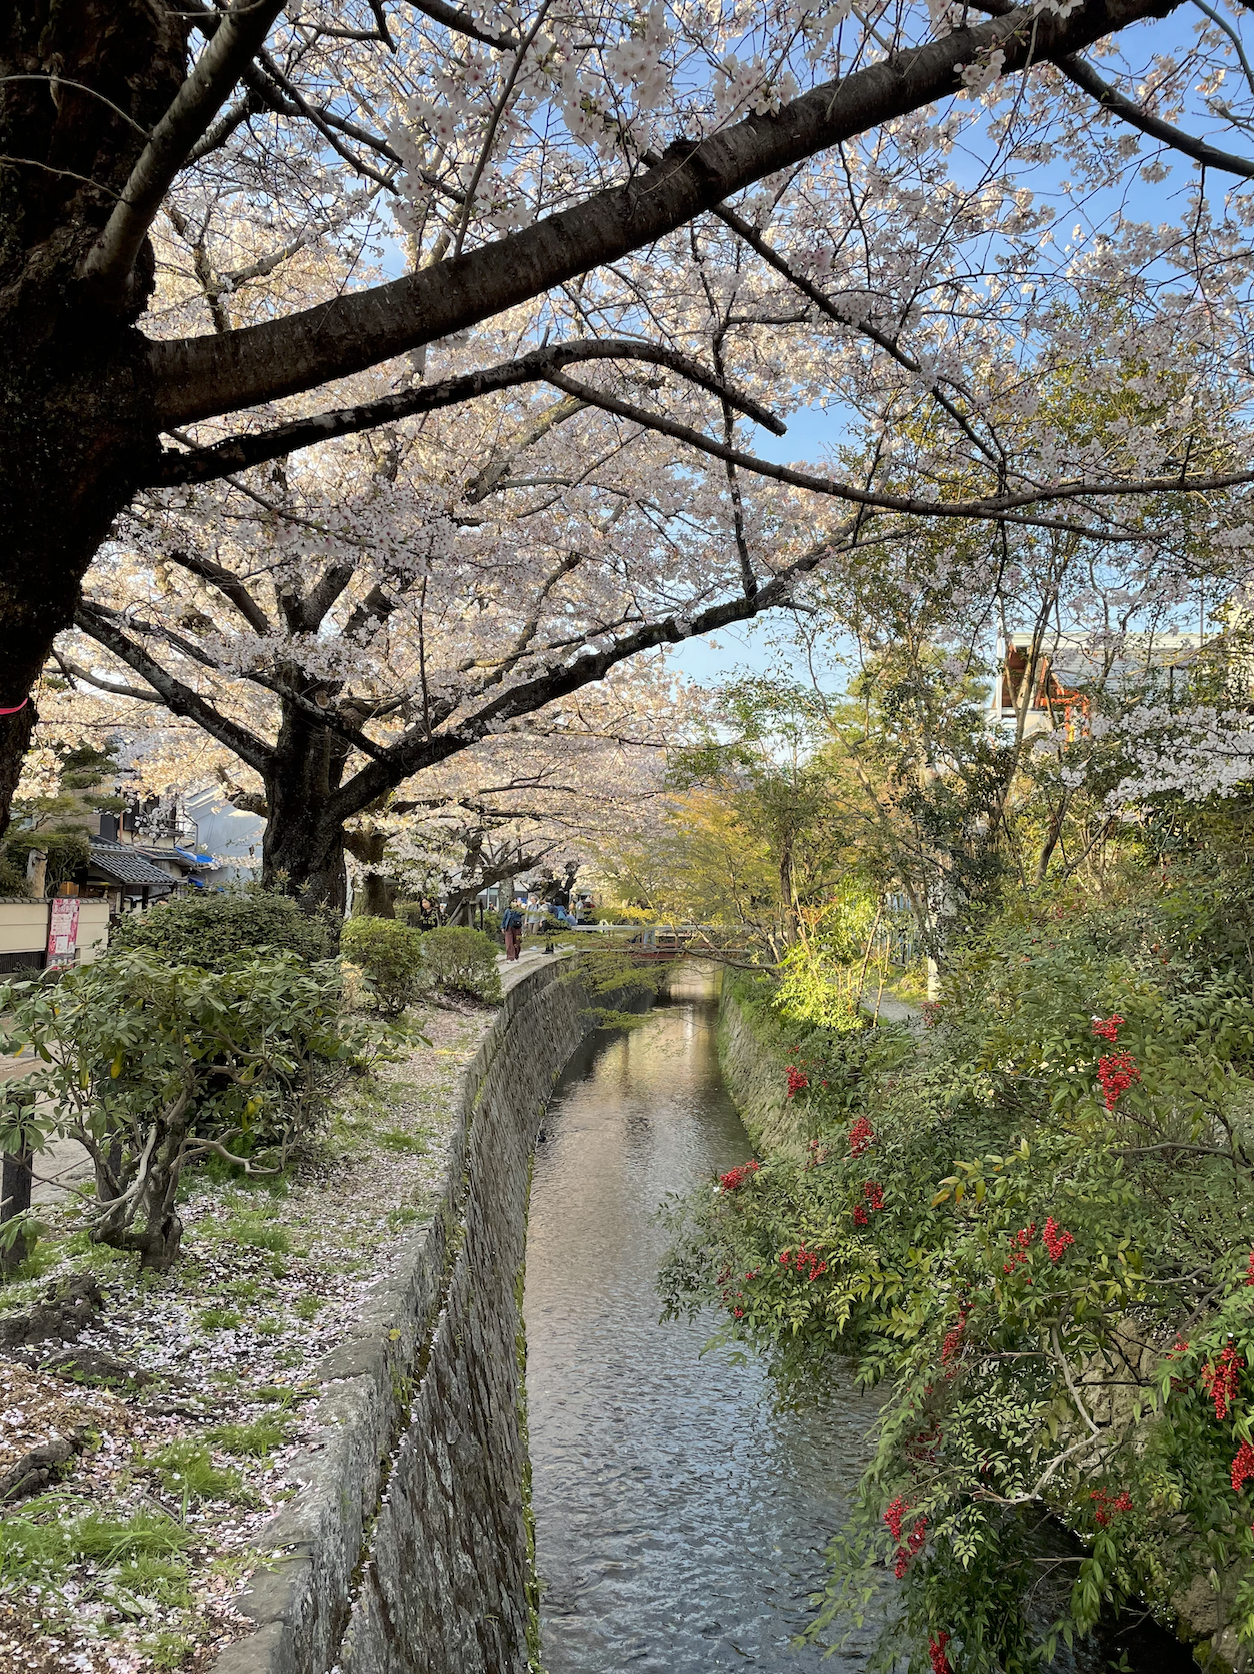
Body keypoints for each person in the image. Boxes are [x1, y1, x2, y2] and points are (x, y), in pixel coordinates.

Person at [501, 897, 524, 962]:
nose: (514, 903)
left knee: (517, 943)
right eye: (513, 901)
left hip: (516, 928)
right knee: (509, 943)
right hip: (508, 928)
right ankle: (510, 957)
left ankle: (516, 956)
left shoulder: (518, 910)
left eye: (515, 901)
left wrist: (519, 906)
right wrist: (502, 927)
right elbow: (504, 919)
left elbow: (522, 913)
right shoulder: (507, 910)